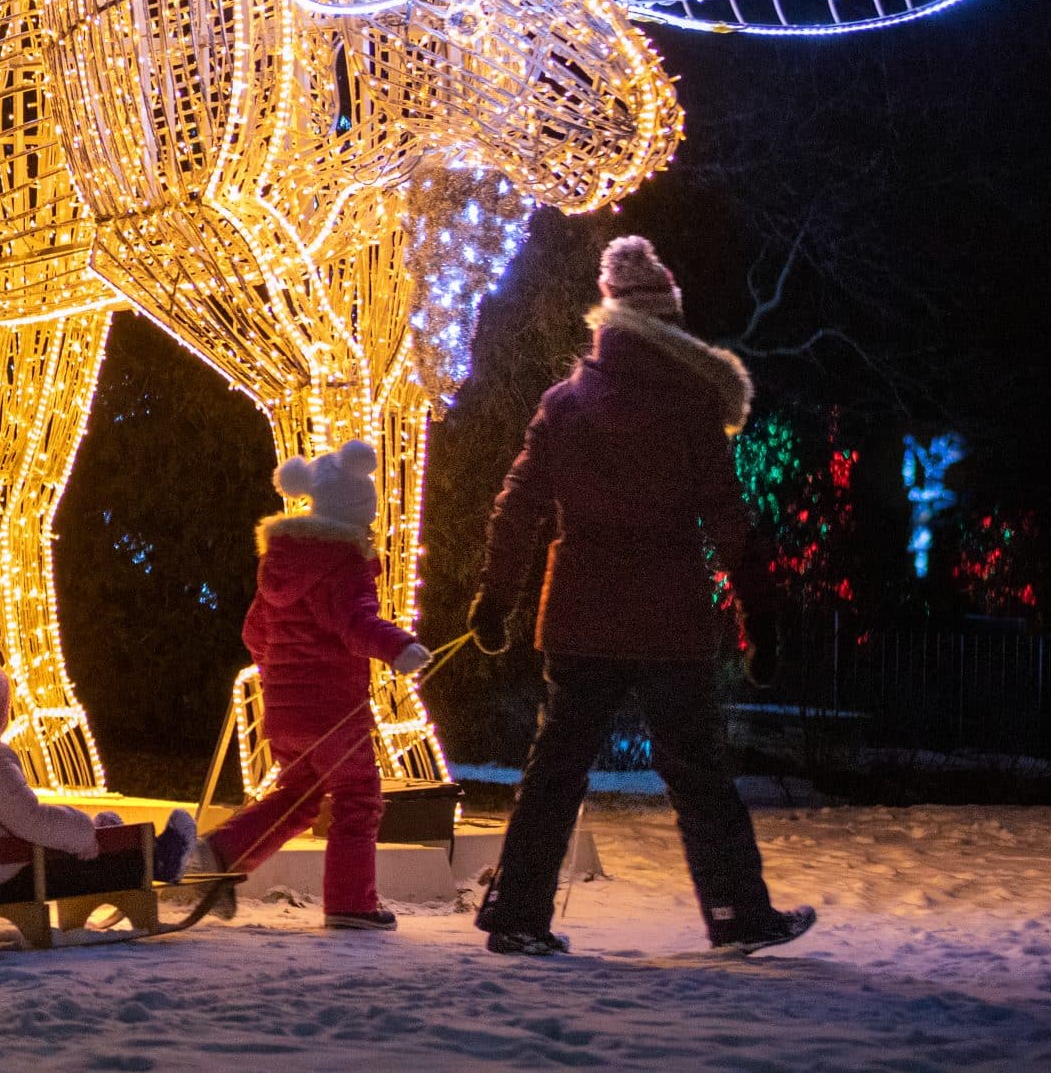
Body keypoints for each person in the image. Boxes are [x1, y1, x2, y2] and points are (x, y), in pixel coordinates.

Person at [469, 234, 815, 958]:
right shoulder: (691, 407)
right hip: (669, 620)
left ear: (609, 321)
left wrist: (496, 599)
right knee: (699, 773)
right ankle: (736, 912)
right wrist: (759, 614)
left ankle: (517, 911)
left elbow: (517, 505)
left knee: (555, 768)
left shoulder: (563, 406)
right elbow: (728, 517)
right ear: (667, 324)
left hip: (580, 617)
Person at [188, 441, 432, 930]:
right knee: (358, 797)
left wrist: (283, 675)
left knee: (299, 795)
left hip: (284, 710)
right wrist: (401, 648)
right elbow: (355, 624)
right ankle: (350, 904)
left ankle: (221, 852)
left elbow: (254, 634)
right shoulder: (343, 563)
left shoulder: (281, 564)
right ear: (356, 513)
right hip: (333, 709)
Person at [0, 645, 195, 906]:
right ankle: (157, 860)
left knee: (62, 845)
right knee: (77, 863)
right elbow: (30, 819)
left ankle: (116, 842)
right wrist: (84, 834)